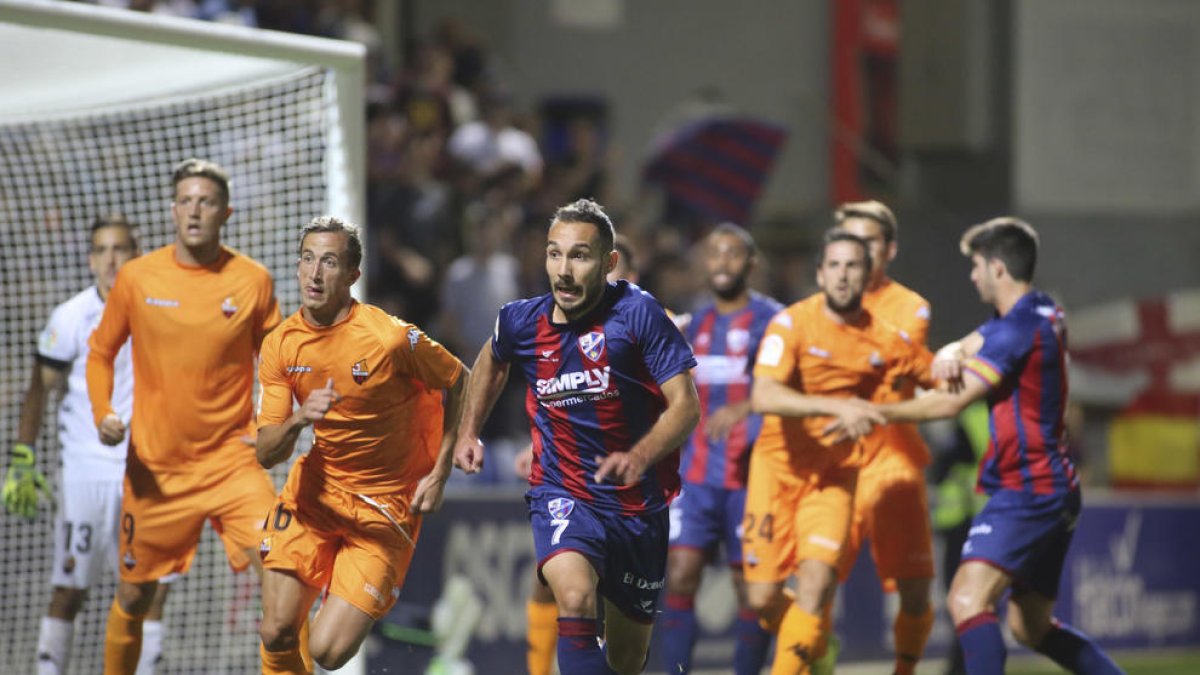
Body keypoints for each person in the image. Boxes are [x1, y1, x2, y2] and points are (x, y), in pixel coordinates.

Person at [866, 218, 1125, 675]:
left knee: (967, 598)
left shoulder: (1014, 332)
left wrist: (875, 412)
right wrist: (948, 351)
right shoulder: (1041, 310)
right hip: (1054, 487)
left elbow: (952, 403)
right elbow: (972, 342)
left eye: (977, 266)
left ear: (998, 268)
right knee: (1031, 629)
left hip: (1027, 488)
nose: (972, 276)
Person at [454, 198, 700, 675]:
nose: (563, 270)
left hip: (637, 506)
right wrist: (470, 431)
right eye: (554, 254)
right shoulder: (523, 320)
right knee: (573, 594)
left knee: (627, 660)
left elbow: (686, 405)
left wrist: (641, 454)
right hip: (562, 491)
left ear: (609, 263)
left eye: (579, 256)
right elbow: (492, 357)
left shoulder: (640, 314)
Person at [86, 158, 283, 675]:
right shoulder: (137, 277)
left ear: (226, 213)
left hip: (232, 464)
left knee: (282, 570)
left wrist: (271, 424)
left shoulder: (253, 282)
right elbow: (101, 352)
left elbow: (280, 362)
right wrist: (104, 412)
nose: (194, 211)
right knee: (133, 596)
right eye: (186, 201)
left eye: (207, 202)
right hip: (157, 470)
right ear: (173, 210)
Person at [254, 216, 469, 673]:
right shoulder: (281, 345)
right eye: (308, 260)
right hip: (314, 496)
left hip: (384, 506)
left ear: (353, 275)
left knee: (328, 653)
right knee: (276, 630)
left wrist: (442, 469)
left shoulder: (388, 339)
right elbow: (265, 451)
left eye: (329, 262)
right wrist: (297, 419)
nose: (315, 273)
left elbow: (459, 379)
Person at [742, 229, 931, 674]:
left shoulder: (885, 338)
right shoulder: (791, 324)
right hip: (776, 471)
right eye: (835, 266)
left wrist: (966, 354)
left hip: (834, 479)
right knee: (763, 598)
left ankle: (801, 649)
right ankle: (813, 641)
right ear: (820, 273)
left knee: (817, 581)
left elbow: (936, 379)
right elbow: (763, 397)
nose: (843, 275)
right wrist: (836, 405)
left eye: (853, 266)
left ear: (867, 276)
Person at [5, 216, 170, 675]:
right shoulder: (71, 316)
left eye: (120, 249)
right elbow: (40, 387)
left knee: (151, 588)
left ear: (137, 255)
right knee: (70, 586)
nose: (111, 259)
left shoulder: (161, 311)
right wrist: (23, 456)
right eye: (102, 250)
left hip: (147, 472)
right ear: (91, 258)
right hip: (85, 473)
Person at [658, 223, 782, 675]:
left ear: (751, 264)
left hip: (753, 477)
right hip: (696, 476)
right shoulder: (694, 324)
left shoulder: (774, 321)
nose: (722, 263)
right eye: (714, 255)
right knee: (682, 573)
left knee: (751, 588)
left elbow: (790, 386)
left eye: (732, 255)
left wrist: (747, 408)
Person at [518, 231, 640, 675]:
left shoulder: (642, 325)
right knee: (558, 588)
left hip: (628, 494)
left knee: (621, 632)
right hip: (563, 482)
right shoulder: (551, 325)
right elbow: (546, 394)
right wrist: (529, 447)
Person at [825, 200, 937, 674]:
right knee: (814, 582)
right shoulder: (816, 307)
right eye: (846, 240)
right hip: (833, 460)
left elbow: (890, 355)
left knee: (914, 591)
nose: (856, 250)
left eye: (867, 241)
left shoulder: (909, 307)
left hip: (892, 457)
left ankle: (904, 669)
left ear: (888, 250)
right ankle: (816, 659)